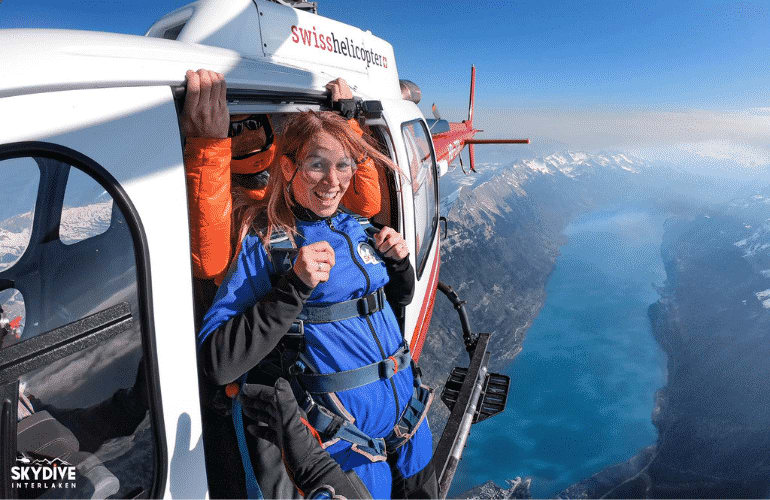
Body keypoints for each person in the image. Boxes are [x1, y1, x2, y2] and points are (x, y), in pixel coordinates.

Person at [197, 111, 437, 499]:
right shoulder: (269, 245)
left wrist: (398, 264)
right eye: (317, 165)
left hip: (411, 426)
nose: (334, 181)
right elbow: (217, 361)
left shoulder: (358, 228)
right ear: (289, 167)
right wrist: (293, 287)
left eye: (344, 165)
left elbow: (395, 303)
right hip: (348, 449)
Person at [181, 69, 383, 286]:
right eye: (234, 128)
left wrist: (347, 129)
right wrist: (209, 148)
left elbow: (367, 205)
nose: (247, 136)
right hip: (264, 296)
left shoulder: (291, 163)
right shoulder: (217, 184)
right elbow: (209, 263)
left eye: (253, 125)